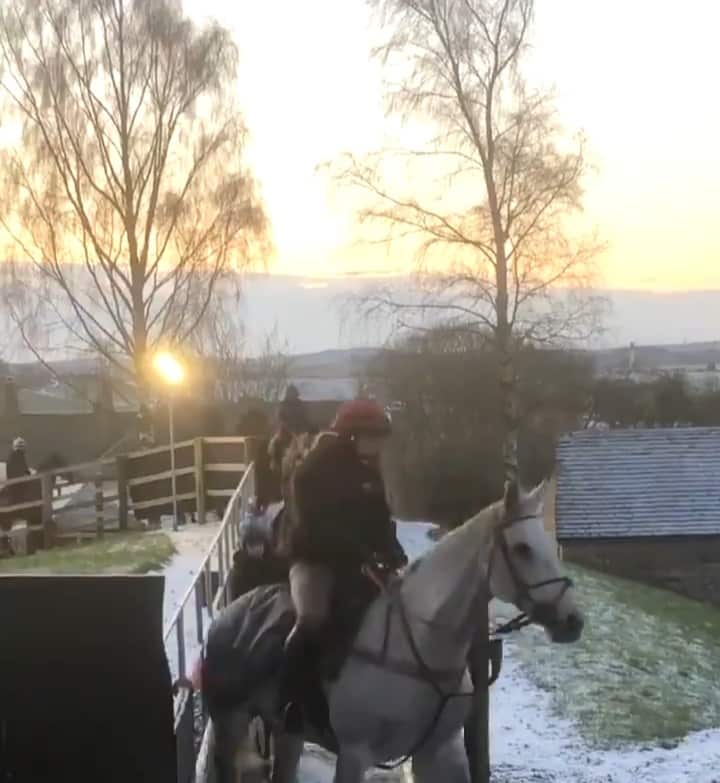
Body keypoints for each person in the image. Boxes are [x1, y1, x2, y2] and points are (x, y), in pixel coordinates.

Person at [276, 398, 407, 730]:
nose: (379, 444)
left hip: (355, 562)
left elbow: (380, 520)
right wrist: (360, 550)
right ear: (352, 436)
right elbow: (313, 526)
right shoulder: (313, 471)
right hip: (313, 560)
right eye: (374, 436)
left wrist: (392, 551)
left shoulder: (368, 470)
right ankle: (291, 699)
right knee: (312, 618)